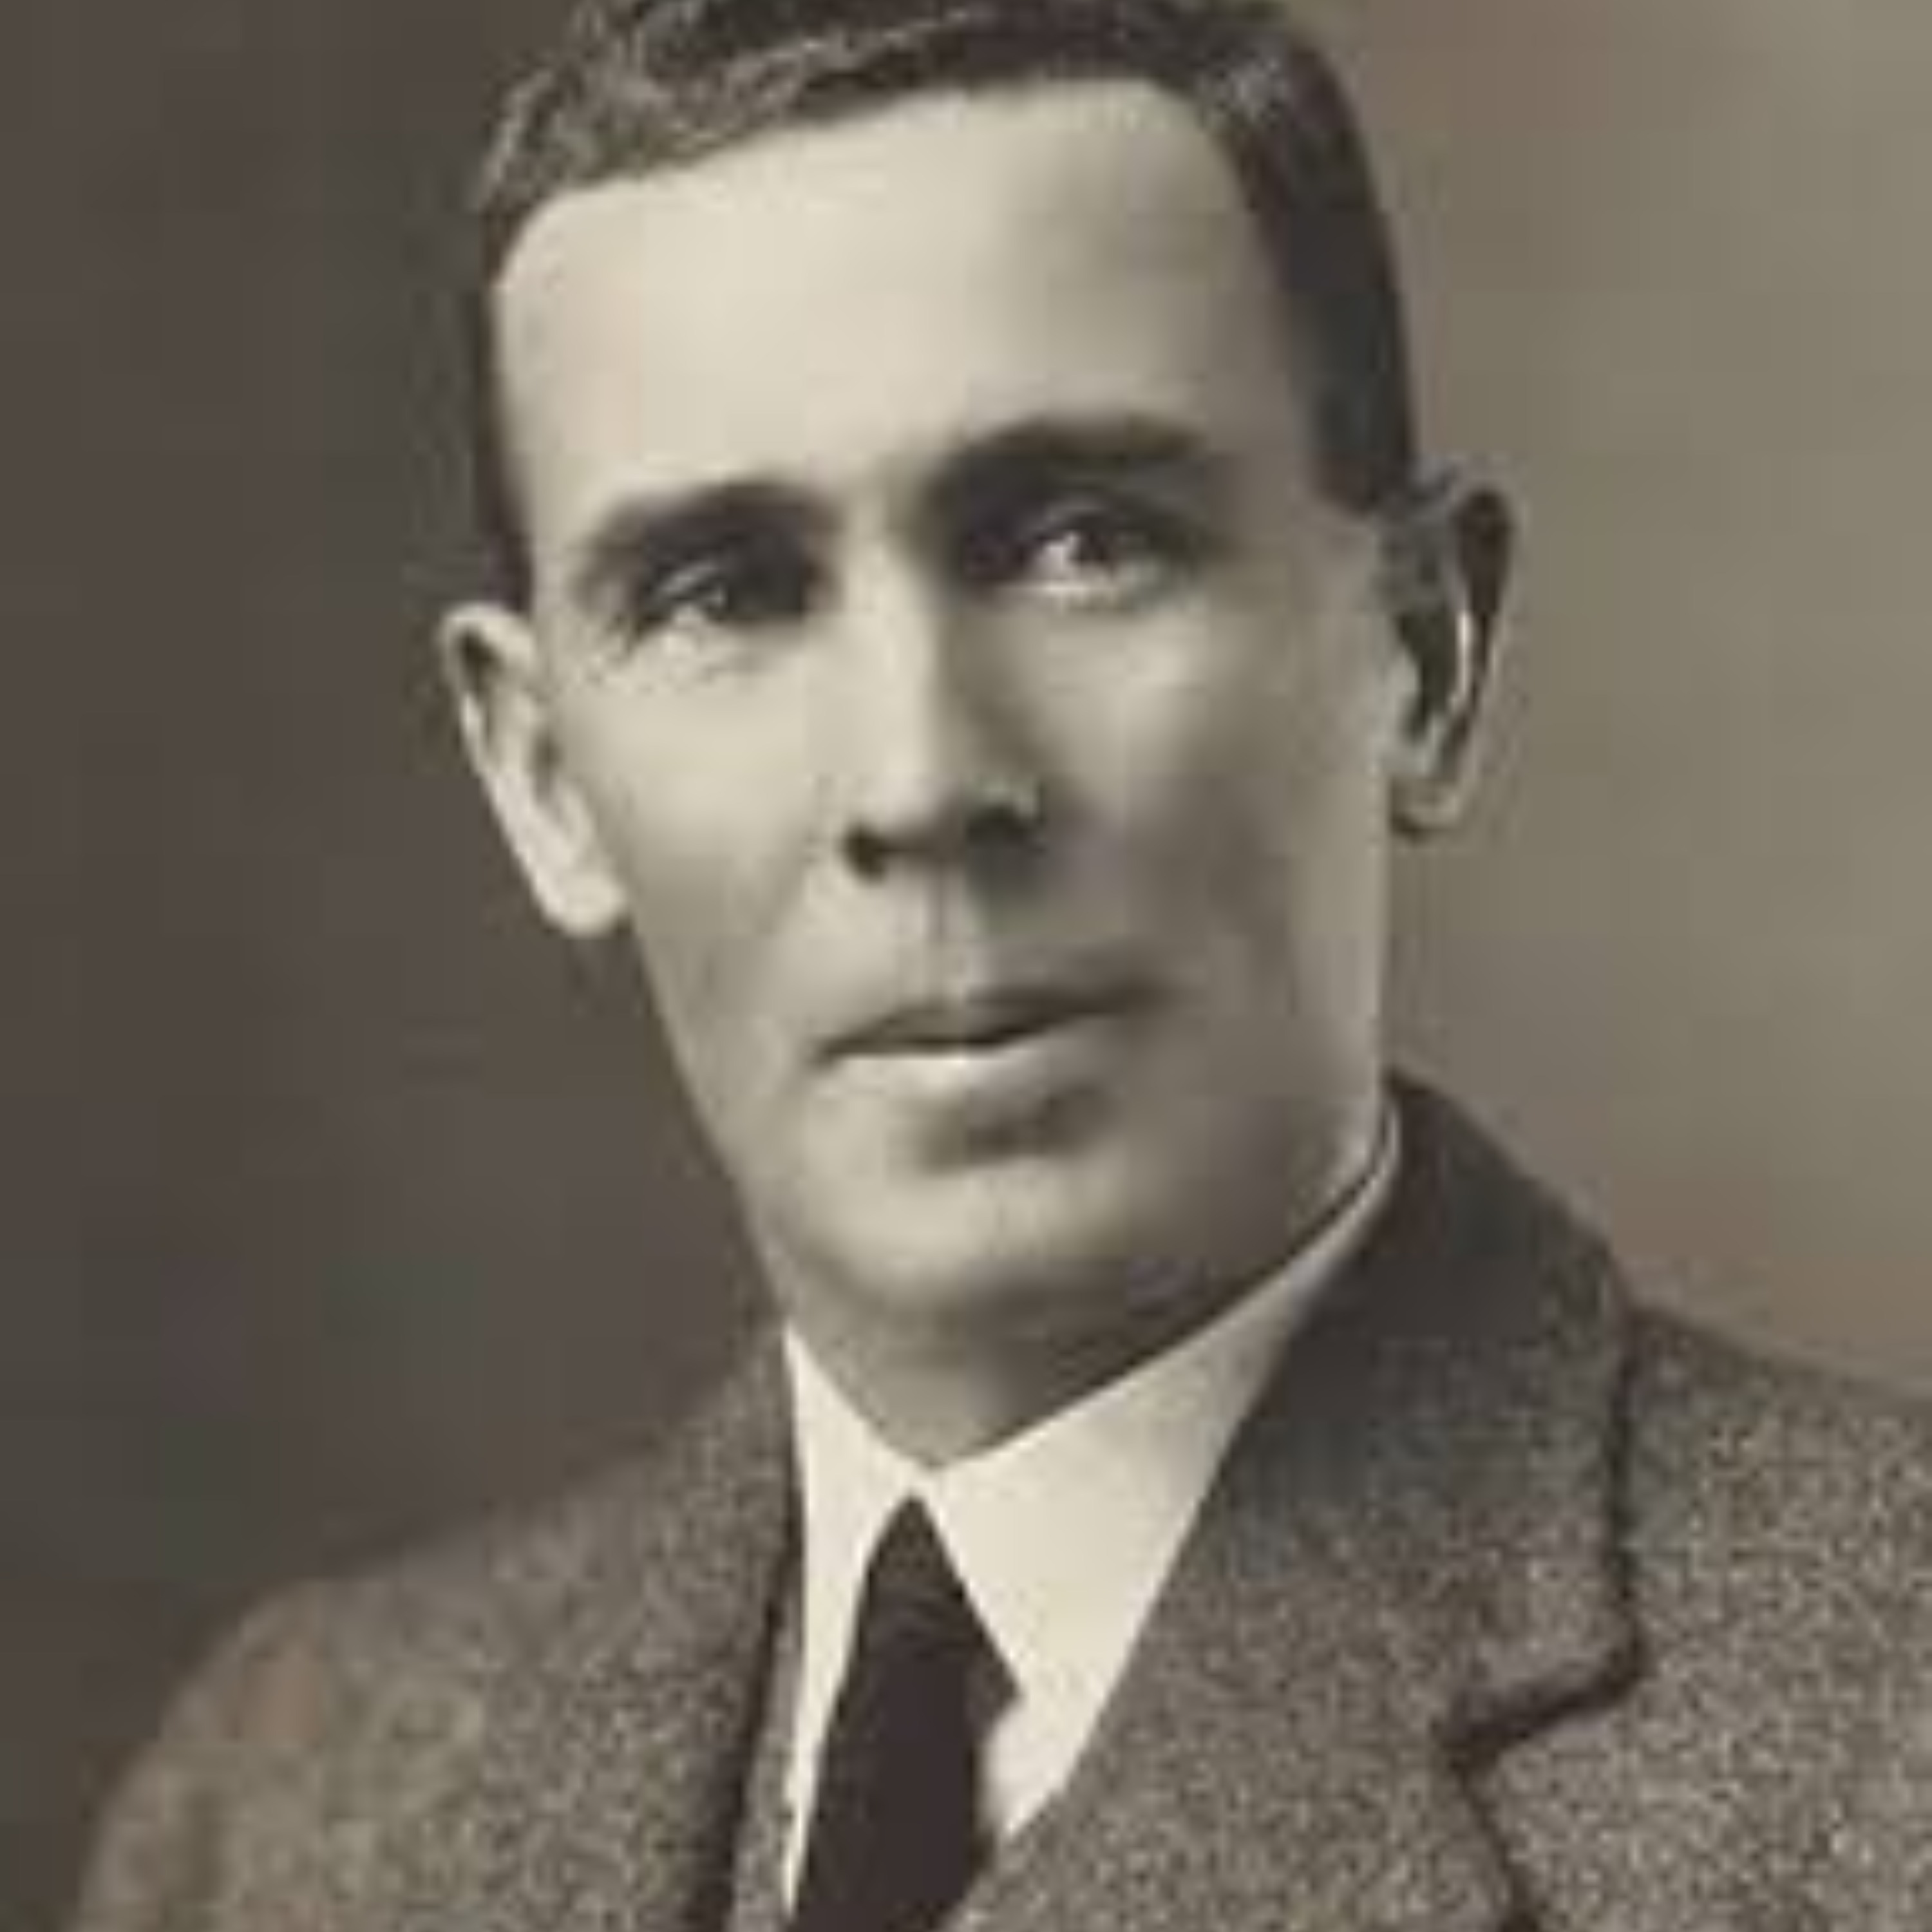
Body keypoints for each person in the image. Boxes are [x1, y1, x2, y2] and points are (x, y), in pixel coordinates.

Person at [73, 1, 1932, 1928]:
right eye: (727, 593)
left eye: (1080, 541)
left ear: (1426, 655)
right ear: (542, 775)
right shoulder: (280, 1812)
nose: (923, 781)